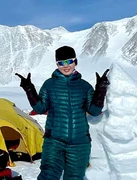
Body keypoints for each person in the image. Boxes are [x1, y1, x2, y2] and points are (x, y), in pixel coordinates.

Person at [15, 45, 109, 180]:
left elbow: (94, 111)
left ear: (75, 62)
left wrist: (101, 89)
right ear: (57, 65)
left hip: (79, 143)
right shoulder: (49, 84)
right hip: (54, 141)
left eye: (69, 61)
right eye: (61, 63)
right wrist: (29, 89)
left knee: (75, 177)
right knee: (48, 175)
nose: (66, 66)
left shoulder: (84, 86)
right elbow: (41, 108)